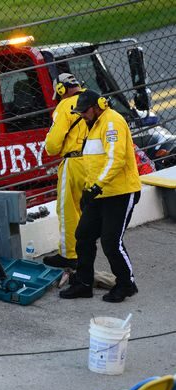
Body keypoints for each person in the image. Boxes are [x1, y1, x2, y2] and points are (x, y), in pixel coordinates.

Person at [59, 90, 142, 302]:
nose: (83, 115)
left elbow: (116, 159)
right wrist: (88, 189)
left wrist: (95, 187)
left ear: (99, 106)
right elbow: (93, 163)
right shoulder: (92, 125)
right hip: (99, 192)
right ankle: (84, 284)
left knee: (111, 242)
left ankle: (126, 284)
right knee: (83, 235)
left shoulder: (112, 121)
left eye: (85, 111)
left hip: (121, 193)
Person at [43, 73, 87, 269]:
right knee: (88, 209)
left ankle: (69, 255)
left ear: (61, 90)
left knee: (67, 209)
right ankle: (85, 249)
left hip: (74, 162)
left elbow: (52, 145)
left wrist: (54, 148)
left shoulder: (64, 106)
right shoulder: (93, 99)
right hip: (94, 161)